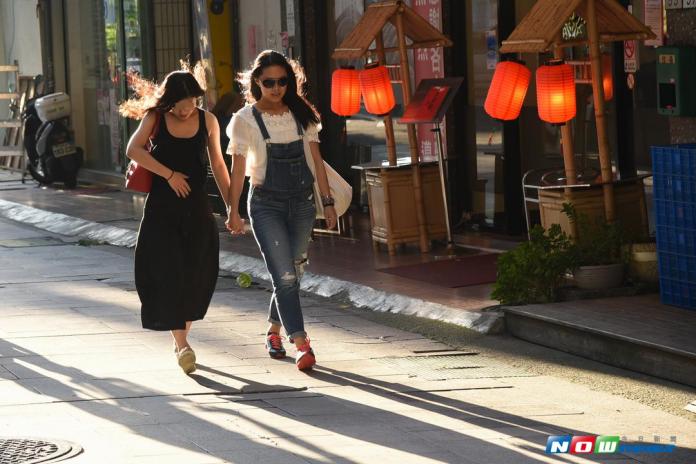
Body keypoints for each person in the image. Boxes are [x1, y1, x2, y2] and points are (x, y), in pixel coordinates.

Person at [225, 50, 338, 371]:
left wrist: (327, 203)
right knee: (285, 276)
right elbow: (237, 170)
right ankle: (302, 343)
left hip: (302, 203)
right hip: (265, 205)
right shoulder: (244, 120)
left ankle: (273, 330)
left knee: (294, 272)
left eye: (283, 81)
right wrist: (233, 210)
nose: (276, 88)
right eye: (269, 82)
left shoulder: (302, 115)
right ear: (256, 82)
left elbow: (316, 162)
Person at [120, 63, 230, 374]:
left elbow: (219, 165)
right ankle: (182, 345)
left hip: (197, 208)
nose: (185, 112)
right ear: (169, 102)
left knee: (197, 274)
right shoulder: (155, 117)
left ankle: (183, 339)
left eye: (191, 104)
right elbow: (133, 149)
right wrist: (168, 175)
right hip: (162, 209)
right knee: (167, 273)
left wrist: (232, 207)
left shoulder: (208, 120)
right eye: (180, 107)